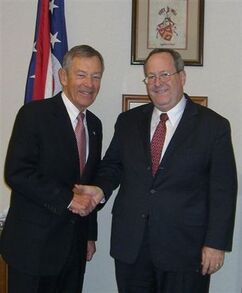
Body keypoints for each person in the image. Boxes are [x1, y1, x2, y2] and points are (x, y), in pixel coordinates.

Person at [75, 48, 238, 292]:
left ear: (182, 77)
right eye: (150, 76)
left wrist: (216, 243)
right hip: (132, 248)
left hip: (186, 251)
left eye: (164, 74)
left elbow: (223, 190)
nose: (157, 82)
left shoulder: (213, 127)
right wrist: (100, 189)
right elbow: (113, 166)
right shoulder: (128, 121)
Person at [0, 45, 104, 293]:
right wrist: (68, 199)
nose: (89, 83)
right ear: (63, 77)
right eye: (81, 74)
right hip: (32, 248)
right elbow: (17, 172)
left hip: (73, 250)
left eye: (96, 76)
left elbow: (88, 181)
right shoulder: (34, 115)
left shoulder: (95, 125)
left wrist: (89, 234)